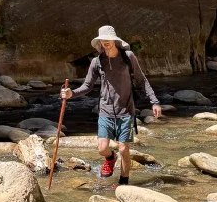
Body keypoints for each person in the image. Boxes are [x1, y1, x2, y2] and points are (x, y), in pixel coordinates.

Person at [60, 25, 161, 184]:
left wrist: (154, 102)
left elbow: (142, 80)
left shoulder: (128, 57)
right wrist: (71, 93)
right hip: (105, 111)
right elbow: (87, 86)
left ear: (115, 40)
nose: (105, 41)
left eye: (108, 39)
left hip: (126, 111)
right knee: (102, 149)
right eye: (102, 39)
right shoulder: (97, 62)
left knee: (123, 148)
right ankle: (110, 158)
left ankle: (124, 181)